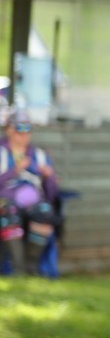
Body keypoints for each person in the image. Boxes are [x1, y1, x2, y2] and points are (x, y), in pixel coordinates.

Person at [0, 108, 60, 276]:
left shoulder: (39, 155)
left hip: (32, 200)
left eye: (28, 129)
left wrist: (49, 177)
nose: (24, 134)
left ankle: (31, 266)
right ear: (9, 130)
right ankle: (17, 268)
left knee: (45, 212)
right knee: (9, 212)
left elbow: (51, 194)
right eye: (19, 129)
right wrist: (14, 171)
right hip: (6, 198)